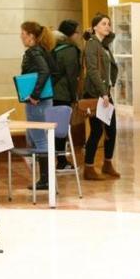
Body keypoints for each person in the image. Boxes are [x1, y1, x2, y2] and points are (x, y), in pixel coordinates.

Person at [82, 13, 120, 180]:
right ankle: (89, 167)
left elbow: (111, 36)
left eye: (109, 24)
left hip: (105, 93)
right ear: (95, 26)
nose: (108, 27)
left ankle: (107, 163)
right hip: (97, 94)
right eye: (104, 24)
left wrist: (107, 91)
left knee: (111, 130)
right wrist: (103, 93)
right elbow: (92, 70)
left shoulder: (104, 44)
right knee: (97, 131)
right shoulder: (92, 44)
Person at [20, 21, 57, 190]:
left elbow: (44, 72)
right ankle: (46, 179)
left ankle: (45, 180)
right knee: (39, 139)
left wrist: (35, 94)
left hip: (38, 102)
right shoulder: (43, 51)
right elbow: (54, 71)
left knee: (40, 140)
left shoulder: (34, 52)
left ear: (31, 36)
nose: (21, 37)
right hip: (44, 100)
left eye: (23, 33)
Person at [53, 18, 82, 170]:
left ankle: (58, 160)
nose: (78, 35)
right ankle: (62, 161)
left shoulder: (55, 46)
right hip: (63, 94)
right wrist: (74, 96)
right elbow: (72, 76)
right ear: (70, 34)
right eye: (77, 32)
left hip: (52, 94)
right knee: (61, 130)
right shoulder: (69, 50)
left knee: (55, 129)